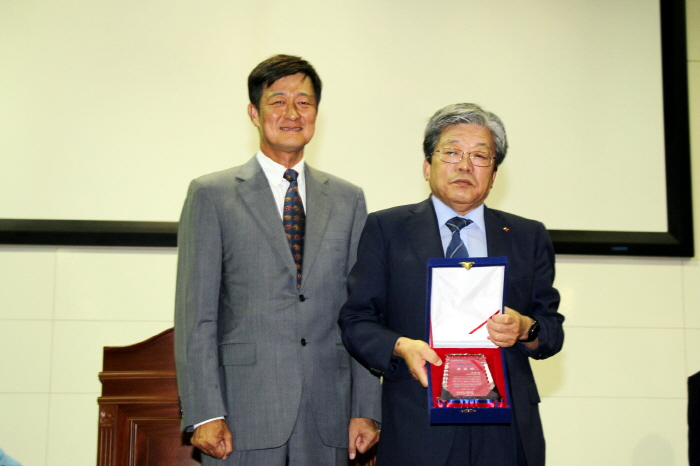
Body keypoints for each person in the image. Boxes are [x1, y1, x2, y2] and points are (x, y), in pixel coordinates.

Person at [174, 54, 381, 466]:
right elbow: (196, 315)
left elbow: (359, 312)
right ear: (254, 113)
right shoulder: (212, 194)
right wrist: (205, 412)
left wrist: (366, 407)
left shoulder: (348, 199)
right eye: (278, 101)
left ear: (316, 114)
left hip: (329, 413)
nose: (292, 113)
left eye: (304, 102)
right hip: (242, 411)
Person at [339, 103, 564, 466]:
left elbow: (551, 330)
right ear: (427, 165)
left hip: (506, 429)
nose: (464, 165)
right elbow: (356, 320)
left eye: (480, 156)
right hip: (418, 419)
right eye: (452, 152)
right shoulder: (388, 229)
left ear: (494, 174)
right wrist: (401, 347)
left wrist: (525, 328)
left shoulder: (527, 235)